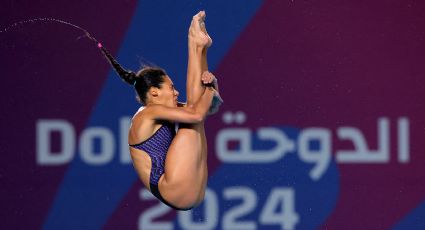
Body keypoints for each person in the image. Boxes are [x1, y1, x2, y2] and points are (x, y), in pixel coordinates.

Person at [100, 11, 221, 210]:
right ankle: (194, 43)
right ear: (154, 93)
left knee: (194, 111)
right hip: (173, 188)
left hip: (190, 190)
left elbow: (211, 107)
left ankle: (201, 46)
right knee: (193, 115)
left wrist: (211, 87)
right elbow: (197, 112)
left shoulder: (165, 111)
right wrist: (208, 90)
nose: (176, 92)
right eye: (171, 87)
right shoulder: (147, 114)